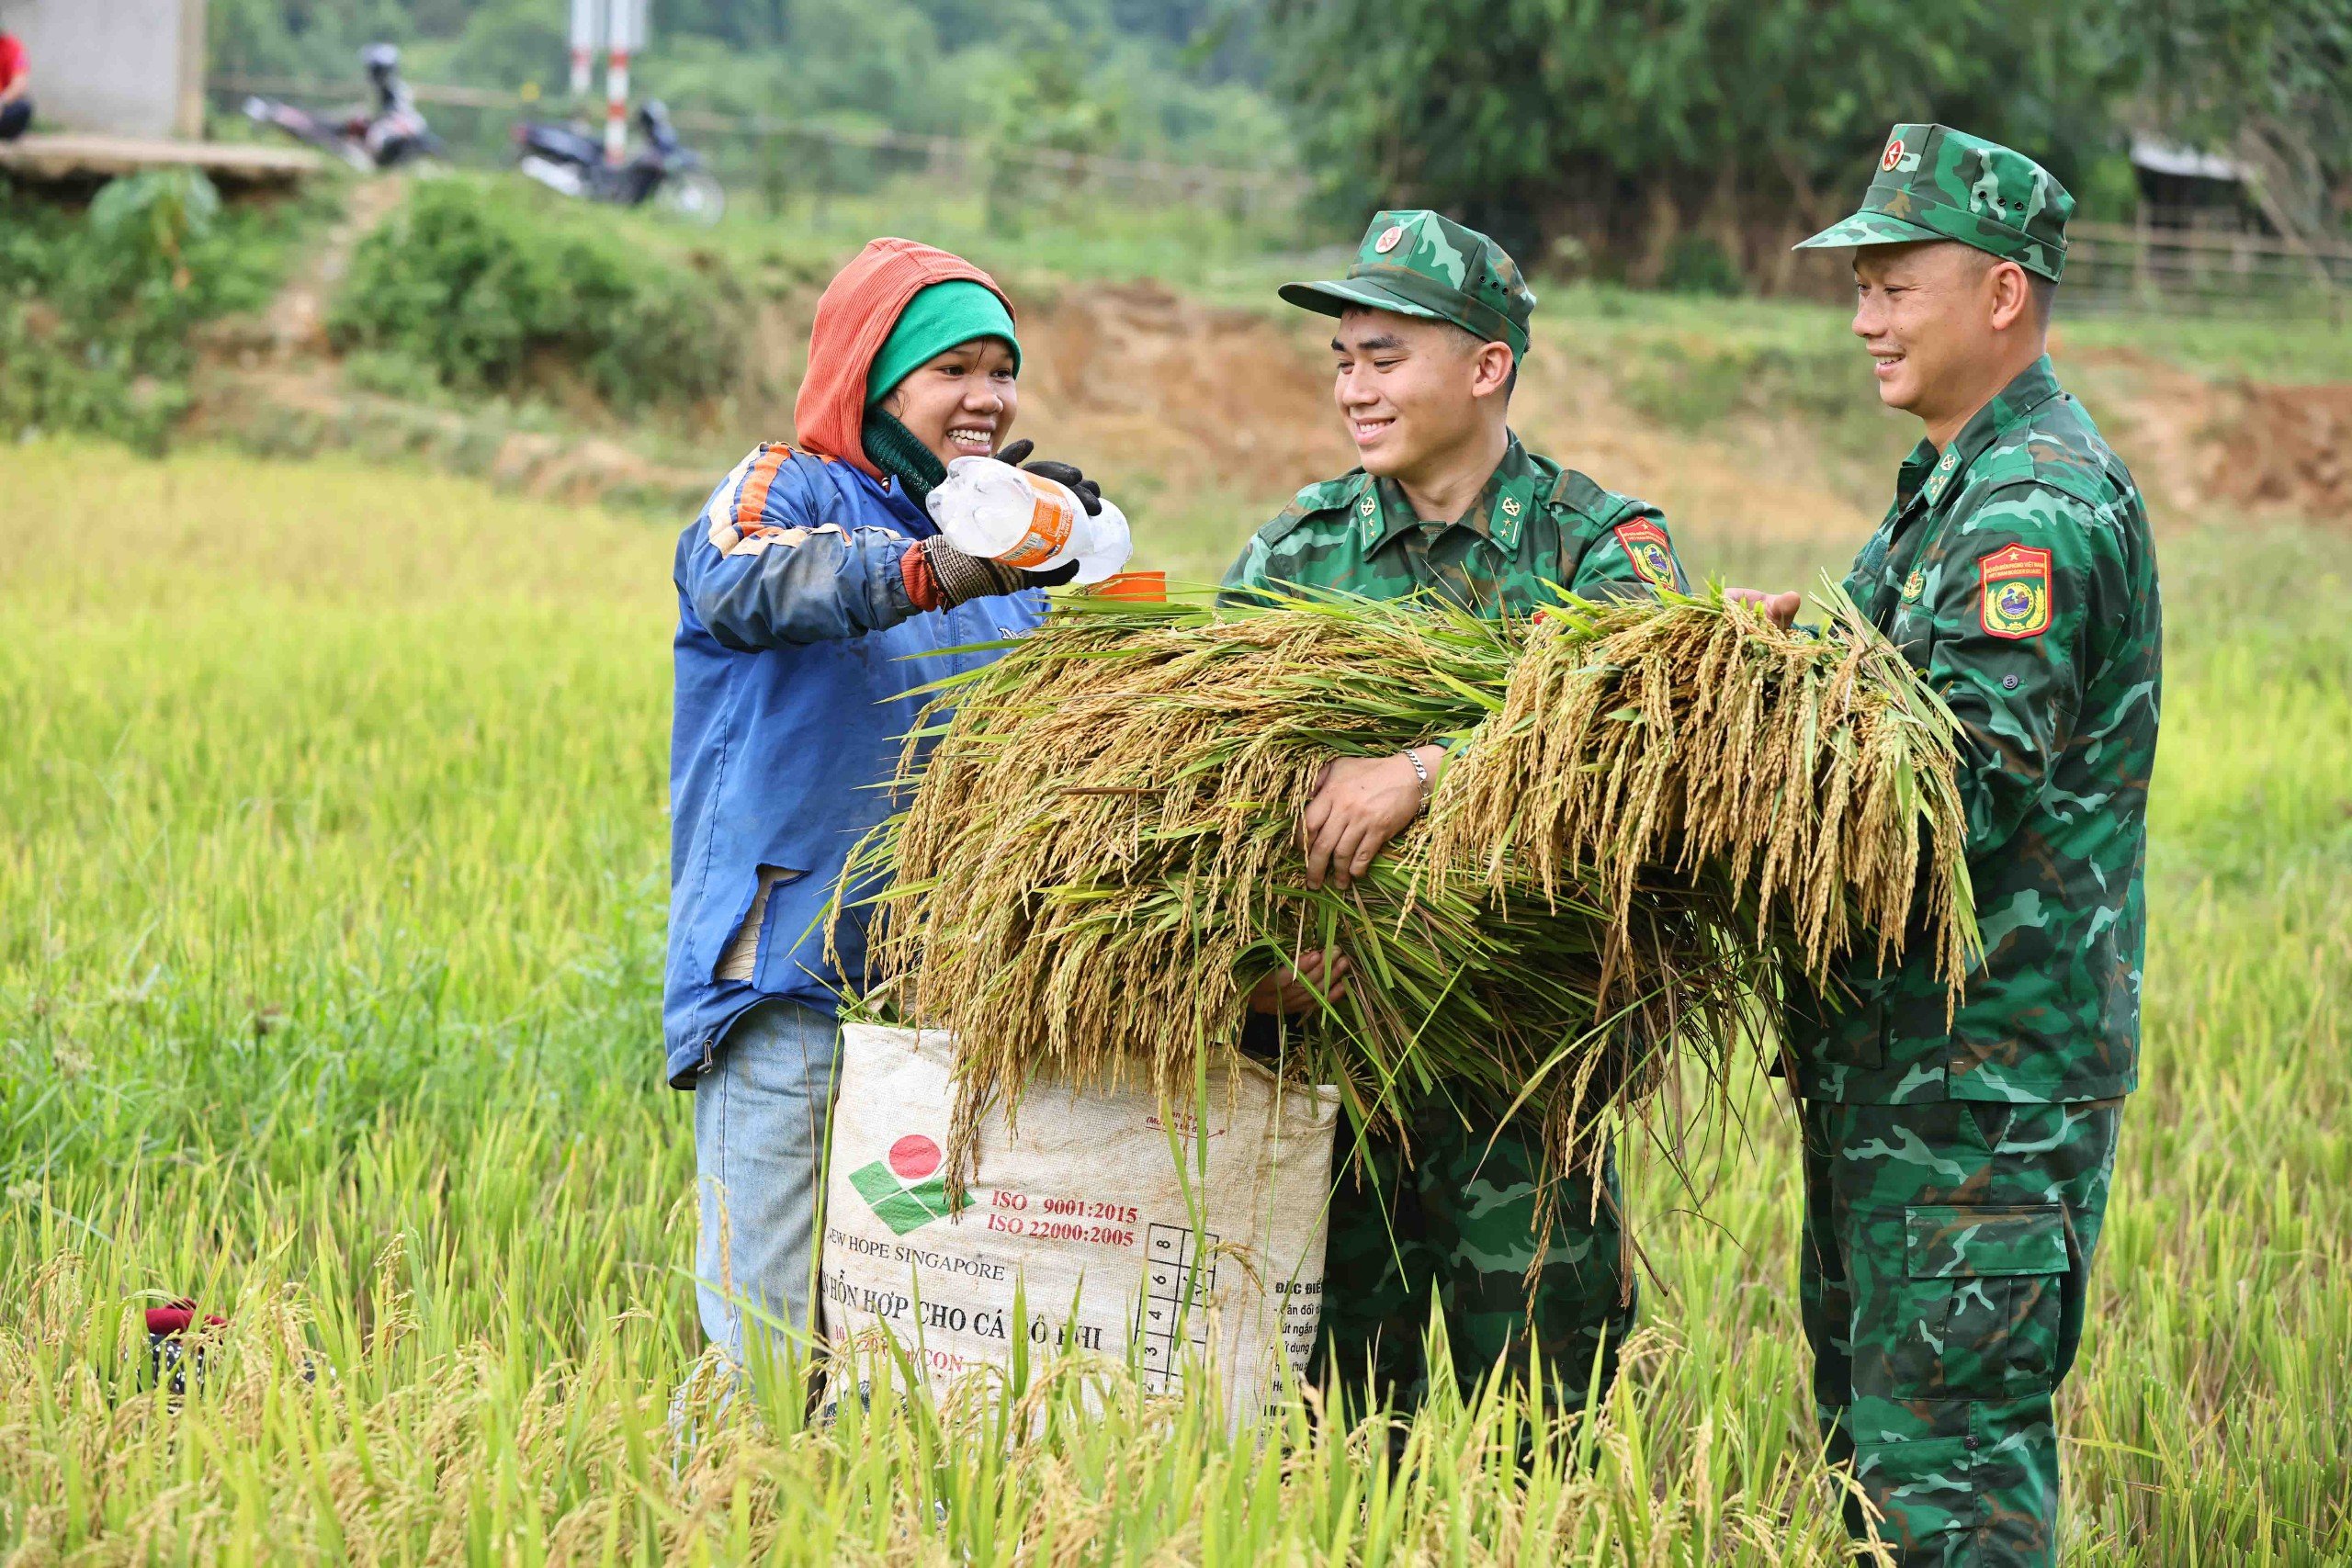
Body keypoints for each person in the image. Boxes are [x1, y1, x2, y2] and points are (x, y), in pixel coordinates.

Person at [1740, 124, 2161, 1565]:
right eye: (1857, 285)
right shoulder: (1946, 486)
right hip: (1901, 1084)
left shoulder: (2032, 505)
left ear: (2000, 294)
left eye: (1894, 283)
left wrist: (1728, 763)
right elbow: (1863, 694)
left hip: (1978, 1105)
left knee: (1949, 1491)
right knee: (1882, 1468)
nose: (1862, 317)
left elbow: (1946, 796)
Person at [1219, 209, 1690, 1420]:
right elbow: (1209, 785)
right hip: (1332, 1078)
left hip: (1522, 1080)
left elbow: (1648, 737)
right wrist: (1269, 958)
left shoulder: (1601, 551)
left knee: (1540, 1441)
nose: (1354, 389)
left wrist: (1425, 769)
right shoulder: (1295, 554)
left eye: (1386, 357)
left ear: (1487, 368)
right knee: (1328, 1441)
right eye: (1343, 360)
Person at [668, 238, 1106, 1362]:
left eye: (1002, 370)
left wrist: (1061, 567)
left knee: (896, 1346)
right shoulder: (785, 484)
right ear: (875, 375)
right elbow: (740, 573)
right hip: (787, 965)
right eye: (953, 368)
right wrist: (940, 565)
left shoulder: (1002, 559)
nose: (988, 397)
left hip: (938, 1003)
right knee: (763, 1348)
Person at [0, 28, 33, 141]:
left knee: (23, 107)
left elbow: (20, 84)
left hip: (3, 106)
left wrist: (1, 102)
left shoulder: (12, 46)